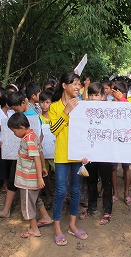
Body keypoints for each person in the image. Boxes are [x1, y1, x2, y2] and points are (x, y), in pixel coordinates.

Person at [49, 71, 87, 246]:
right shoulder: (54, 106)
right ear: (64, 85)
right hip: (62, 156)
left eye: (79, 84)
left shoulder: (83, 105)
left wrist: (88, 152)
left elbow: (87, 131)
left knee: (76, 190)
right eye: (74, 83)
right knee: (61, 191)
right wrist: (66, 111)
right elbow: (54, 130)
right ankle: (57, 227)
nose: (77, 87)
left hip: (78, 156)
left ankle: (72, 224)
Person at [7, 112, 45, 238]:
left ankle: (34, 229)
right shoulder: (32, 135)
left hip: (29, 179)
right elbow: (40, 153)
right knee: (35, 200)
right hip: (32, 178)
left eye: (14, 131)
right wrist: (43, 169)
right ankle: (46, 217)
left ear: (21, 128)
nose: (14, 134)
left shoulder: (28, 140)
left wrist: (39, 177)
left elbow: (36, 158)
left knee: (28, 205)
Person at [79, 83, 113, 224]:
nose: (93, 98)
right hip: (90, 153)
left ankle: (107, 211)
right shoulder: (82, 110)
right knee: (91, 181)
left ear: (103, 96)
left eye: (96, 95)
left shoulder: (110, 110)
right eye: (91, 95)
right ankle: (92, 207)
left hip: (105, 153)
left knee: (106, 182)